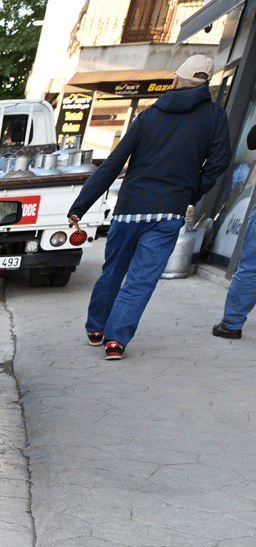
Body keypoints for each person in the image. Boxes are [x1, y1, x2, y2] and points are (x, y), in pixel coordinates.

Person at [68, 55, 231, 360]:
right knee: (141, 279)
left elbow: (114, 163)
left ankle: (96, 329)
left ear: (176, 81)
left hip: (129, 209)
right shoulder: (215, 116)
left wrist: (81, 204)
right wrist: (190, 192)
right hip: (168, 212)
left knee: (113, 269)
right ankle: (116, 342)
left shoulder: (149, 115)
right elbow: (219, 162)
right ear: (205, 85)